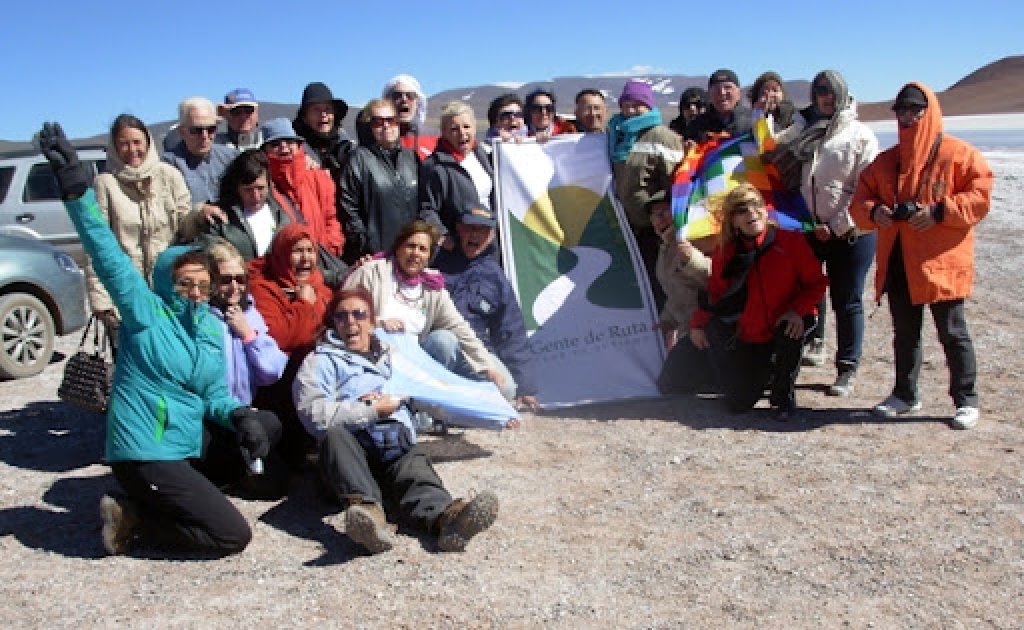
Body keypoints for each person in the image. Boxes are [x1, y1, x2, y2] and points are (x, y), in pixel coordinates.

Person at [40, 122, 276, 556]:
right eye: (184, 283)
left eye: (201, 283)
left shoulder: (207, 324)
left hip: (182, 437)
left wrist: (238, 414)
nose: (194, 291)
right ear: (168, 281)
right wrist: (76, 192)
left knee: (263, 426)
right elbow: (107, 253)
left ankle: (173, 494)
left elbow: (210, 396)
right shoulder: (145, 312)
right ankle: (136, 518)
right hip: (145, 448)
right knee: (231, 536)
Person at [292, 286, 499, 554]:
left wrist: (487, 412)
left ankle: (446, 521)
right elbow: (312, 413)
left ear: (372, 320)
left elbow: (432, 392)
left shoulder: (393, 355)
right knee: (334, 435)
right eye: (341, 316)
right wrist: (370, 410)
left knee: (415, 470)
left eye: (359, 314)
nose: (351, 322)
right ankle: (369, 517)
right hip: (350, 454)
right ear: (333, 322)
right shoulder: (320, 361)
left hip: (393, 441)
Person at [850, 82, 993, 429]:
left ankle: (966, 400)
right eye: (902, 110)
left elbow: (980, 197)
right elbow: (859, 202)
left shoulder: (959, 155)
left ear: (930, 112)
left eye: (915, 109)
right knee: (905, 333)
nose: (908, 116)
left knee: (953, 331)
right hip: (899, 260)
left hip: (940, 263)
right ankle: (905, 395)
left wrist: (939, 212)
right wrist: (876, 213)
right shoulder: (886, 162)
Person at [660, 184, 827, 419]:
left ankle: (783, 397)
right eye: (741, 210)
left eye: (756, 205)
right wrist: (698, 325)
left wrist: (797, 311)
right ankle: (766, 374)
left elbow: (817, 283)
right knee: (739, 402)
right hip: (750, 331)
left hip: (788, 320)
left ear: (765, 210)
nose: (751, 213)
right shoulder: (725, 253)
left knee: (790, 331)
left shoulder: (790, 242)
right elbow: (715, 293)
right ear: (732, 220)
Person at [773, 70, 879, 396]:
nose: (825, 98)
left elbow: (865, 189)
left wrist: (835, 226)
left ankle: (847, 367)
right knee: (807, 291)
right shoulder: (803, 130)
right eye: (820, 92)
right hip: (809, 228)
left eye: (831, 92)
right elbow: (775, 157)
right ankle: (803, 348)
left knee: (847, 299)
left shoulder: (861, 136)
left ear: (843, 94)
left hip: (851, 232)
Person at [342, 220, 502, 390]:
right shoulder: (371, 272)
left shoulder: (432, 285)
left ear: (429, 256)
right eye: (410, 246)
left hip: (417, 363)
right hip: (375, 359)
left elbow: (459, 327)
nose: (415, 253)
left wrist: (486, 366)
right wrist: (379, 323)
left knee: (502, 387)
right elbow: (342, 312)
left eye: (422, 249)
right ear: (398, 248)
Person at [89, 114, 200, 349]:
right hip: (127, 293)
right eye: (124, 143)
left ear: (148, 143)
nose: (132, 150)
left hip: (169, 289)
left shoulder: (168, 175)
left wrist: (200, 215)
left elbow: (185, 226)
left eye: (137, 142)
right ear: (114, 147)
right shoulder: (106, 184)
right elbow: (96, 244)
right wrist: (102, 302)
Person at [433, 205, 539, 407]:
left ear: (491, 235)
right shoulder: (432, 258)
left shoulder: (495, 276)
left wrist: (526, 386)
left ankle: (458, 402)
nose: (475, 235)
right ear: (458, 229)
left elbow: (510, 331)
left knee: (507, 390)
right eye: (470, 228)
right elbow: (396, 261)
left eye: (482, 230)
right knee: (442, 341)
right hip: (437, 346)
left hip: (476, 351)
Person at [248, 223, 335, 467]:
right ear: (282, 253)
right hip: (282, 381)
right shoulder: (263, 289)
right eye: (298, 251)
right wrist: (303, 306)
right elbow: (281, 337)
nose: (306, 258)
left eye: (310, 250)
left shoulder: (320, 288)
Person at [608, 79, 684, 311]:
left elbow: (677, 184)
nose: (631, 110)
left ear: (648, 106)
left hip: (655, 229)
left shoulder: (663, 136)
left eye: (637, 104)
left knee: (660, 287)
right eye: (626, 104)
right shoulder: (617, 135)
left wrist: (665, 220)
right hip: (627, 227)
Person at [260, 117, 346, 285]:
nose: (283, 147)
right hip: (285, 275)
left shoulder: (319, 178)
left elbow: (332, 219)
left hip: (322, 266)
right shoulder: (263, 187)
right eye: (275, 144)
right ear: (264, 152)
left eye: (289, 141)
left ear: (299, 146)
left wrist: (328, 250)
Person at [206, 239, 288, 406]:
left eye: (240, 279)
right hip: (210, 412)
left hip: (243, 409)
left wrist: (249, 335)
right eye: (226, 280)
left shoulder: (250, 314)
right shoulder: (202, 317)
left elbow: (272, 371)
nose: (234, 287)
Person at [339, 99, 420, 264]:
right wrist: (364, 245)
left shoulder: (411, 158)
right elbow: (348, 208)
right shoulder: (358, 159)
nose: (386, 126)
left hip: (411, 254)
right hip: (377, 256)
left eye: (391, 120)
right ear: (368, 125)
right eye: (378, 122)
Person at [644, 191, 711, 353]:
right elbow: (675, 293)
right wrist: (667, 321)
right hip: (686, 331)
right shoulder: (664, 247)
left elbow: (714, 278)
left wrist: (691, 259)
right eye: (654, 215)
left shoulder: (696, 237)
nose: (660, 218)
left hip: (706, 328)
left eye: (665, 211)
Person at [419, 102, 495, 245]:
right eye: (454, 129)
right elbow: (427, 209)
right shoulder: (434, 165)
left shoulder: (483, 154)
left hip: (489, 241)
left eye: (466, 126)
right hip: (459, 246)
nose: (462, 133)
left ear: (474, 127)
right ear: (444, 132)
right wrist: (442, 236)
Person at [203, 149, 294, 260]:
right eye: (248, 190)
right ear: (236, 187)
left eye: (260, 188)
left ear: (269, 184)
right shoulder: (218, 219)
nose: (255, 196)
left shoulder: (282, 215)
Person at [161, 97, 239, 225]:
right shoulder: (168, 166)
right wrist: (199, 212)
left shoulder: (231, 158)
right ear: (182, 132)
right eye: (196, 130)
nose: (204, 136)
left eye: (211, 129)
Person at [292, 81, 354, 182]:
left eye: (328, 109)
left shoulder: (348, 149)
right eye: (316, 109)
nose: (323, 114)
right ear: (304, 117)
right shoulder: (294, 151)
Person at [683, 69, 752, 144]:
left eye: (727, 87)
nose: (722, 93)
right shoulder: (697, 126)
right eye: (716, 89)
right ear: (709, 94)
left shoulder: (753, 122)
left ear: (738, 92)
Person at [383, 74, 438, 159]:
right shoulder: (377, 139)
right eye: (397, 95)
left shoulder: (436, 137)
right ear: (387, 101)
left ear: (418, 102)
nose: (404, 99)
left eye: (410, 95)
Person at [748, 71, 795, 135]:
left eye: (775, 90)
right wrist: (759, 114)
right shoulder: (748, 121)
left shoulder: (794, 117)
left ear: (783, 94)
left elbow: (770, 142)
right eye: (764, 93)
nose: (770, 95)